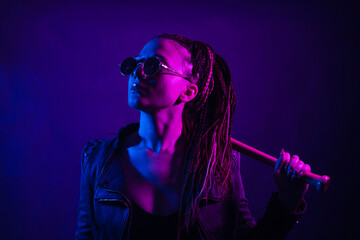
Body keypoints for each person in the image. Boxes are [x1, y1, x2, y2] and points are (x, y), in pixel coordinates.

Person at [75, 33, 311, 240]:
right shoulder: (98, 159)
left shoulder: (218, 162)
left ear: (188, 91)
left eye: (154, 65)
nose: (137, 72)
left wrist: (286, 203)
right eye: (133, 64)